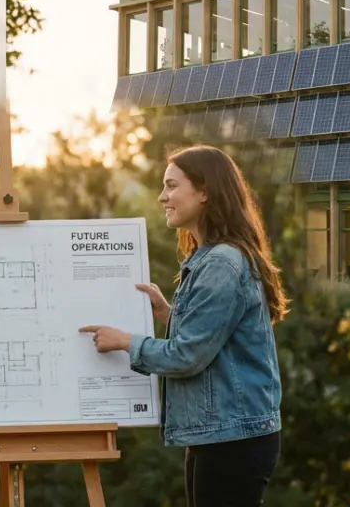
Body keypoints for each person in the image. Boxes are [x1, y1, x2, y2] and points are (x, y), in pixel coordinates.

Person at [79, 145, 287, 507]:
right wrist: (170, 314)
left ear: (205, 191)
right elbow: (217, 335)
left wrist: (125, 342)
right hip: (222, 433)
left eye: (172, 186)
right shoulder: (209, 257)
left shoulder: (222, 262)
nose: (163, 196)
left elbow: (188, 355)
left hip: (232, 437)